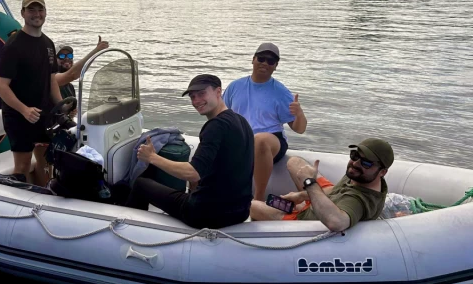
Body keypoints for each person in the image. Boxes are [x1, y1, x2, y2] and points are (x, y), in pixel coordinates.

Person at [125, 74, 255, 229]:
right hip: (240, 211)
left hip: (205, 214)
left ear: (218, 92)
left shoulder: (215, 126)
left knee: (141, 184)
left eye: (202, 94)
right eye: (193, 97)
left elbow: (193, 173)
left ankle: (129, 231)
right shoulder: (241, 121)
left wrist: (152, 157)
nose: (196, 101)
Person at [223, 42, 307, 202]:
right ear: (253, 59)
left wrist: (300, 113)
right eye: (261, 58)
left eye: (271, 61)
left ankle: (258, 198)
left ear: (275, 66)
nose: (265, 63)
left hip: (271, 141)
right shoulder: (235, 86)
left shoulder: (281, 92)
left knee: (260, 140)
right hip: (241, 140)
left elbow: (299, 129)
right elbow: (221, 115)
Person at [249, 138, 393, 231]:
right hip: (323, 200)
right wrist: (301, 196)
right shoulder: (363, 176)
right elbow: (335, 191)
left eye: (366, 162)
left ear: (382, 172)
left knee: (252, 206)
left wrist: (310, 183)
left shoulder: (358, 201)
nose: (355, 163)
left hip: (303, 219)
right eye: (355, 155)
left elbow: (337, 222)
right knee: (295, 162)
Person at [0, 0, 63, 186]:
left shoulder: (48, 44)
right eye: (31, 10)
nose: (37, 14)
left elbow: (52, 82)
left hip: (42, 116)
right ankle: (18, 205)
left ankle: (45, 198)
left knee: (46, 163)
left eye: (40, 9)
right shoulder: (14, 45)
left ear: (46, 12)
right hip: (19, 117)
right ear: (23, 13)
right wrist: (24, 110)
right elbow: (0, 87)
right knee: (23, 167)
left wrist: (61, 107)